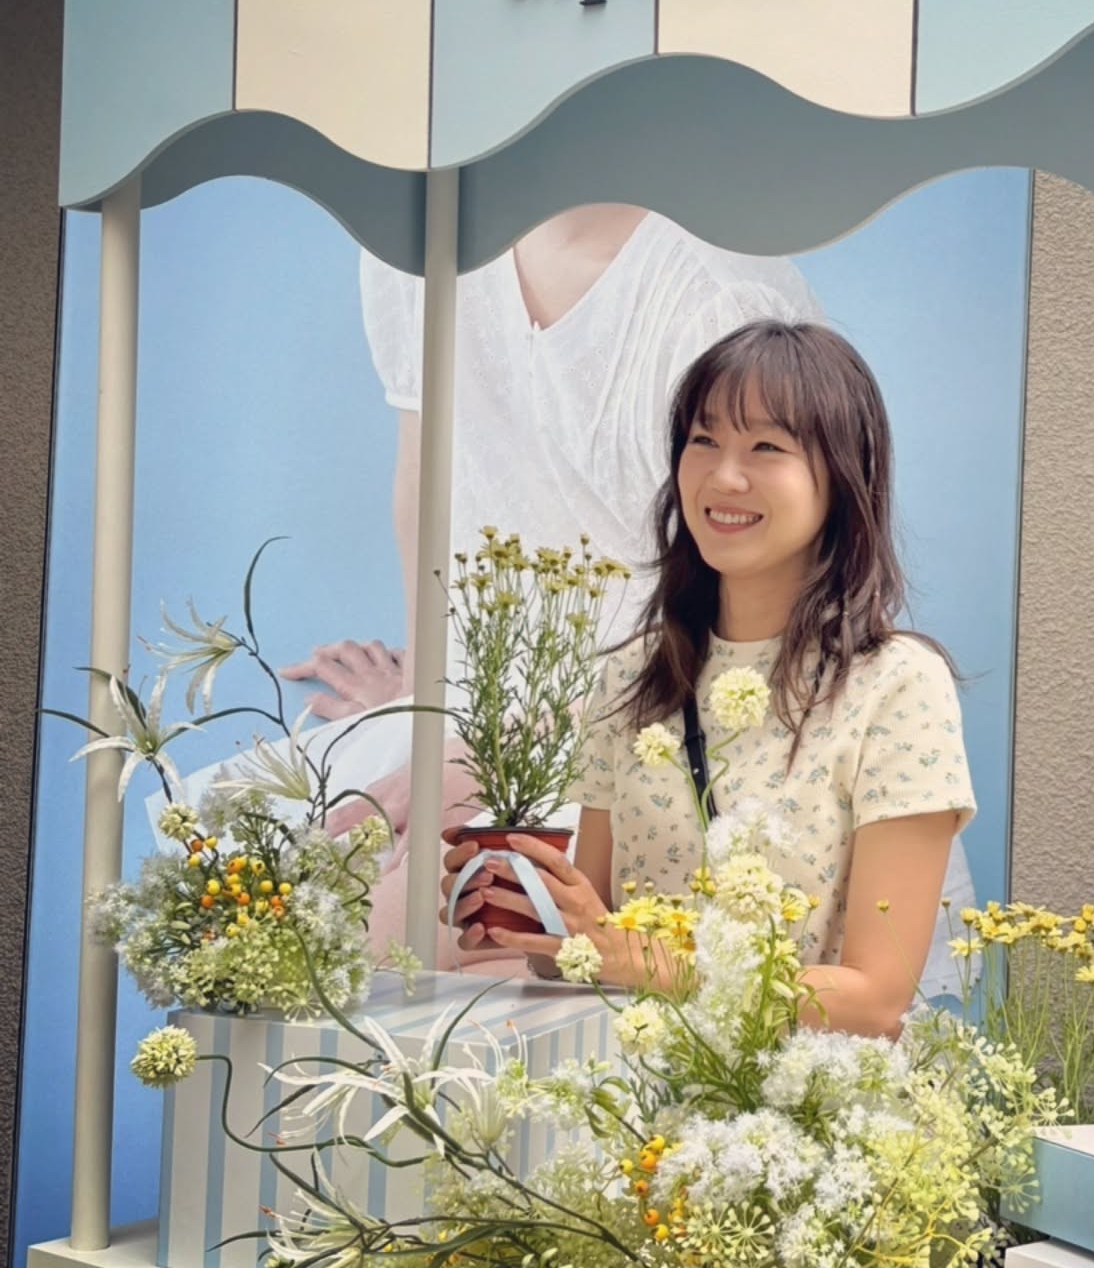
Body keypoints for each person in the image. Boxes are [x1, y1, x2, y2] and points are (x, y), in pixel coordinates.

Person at [277, 205, 828, 959]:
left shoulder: (719, 299)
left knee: (351, 955)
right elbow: (428, 475)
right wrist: (425, 697)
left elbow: (756, 617)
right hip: (487, 715)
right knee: (256, 910)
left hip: (668, 728)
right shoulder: (414, 238)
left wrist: (478, 761)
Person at [441, 320, 977, 1038]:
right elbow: (594, 942)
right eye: (703, 440)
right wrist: (527, 912)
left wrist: (643, 963)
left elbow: (874, 998)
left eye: (767, 447)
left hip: (802, 1095)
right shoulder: (632, 676)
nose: (725, 476)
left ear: (844, 476)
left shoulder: (896, 685)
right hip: (631, 1090)